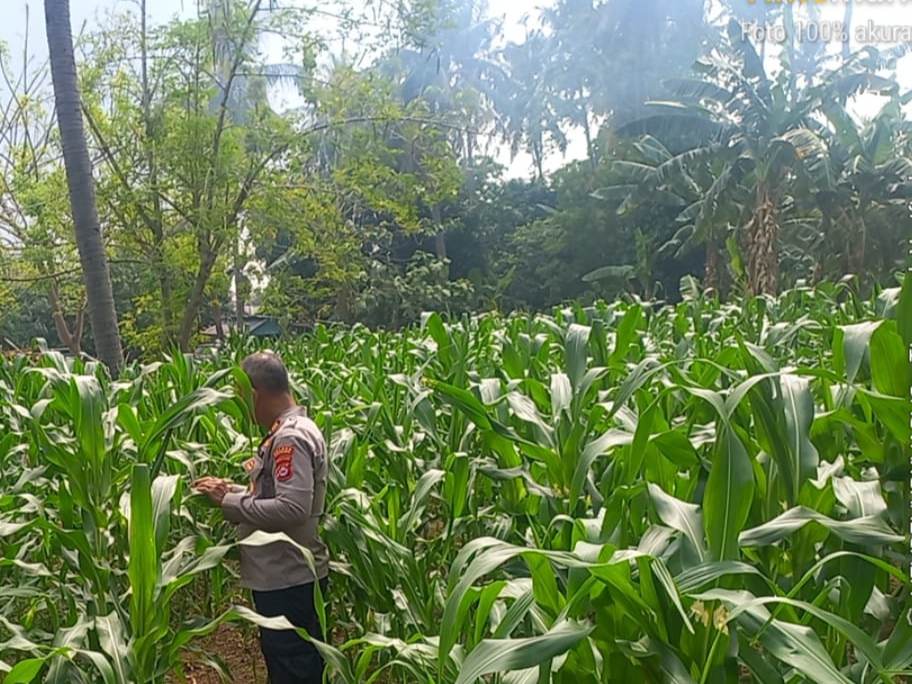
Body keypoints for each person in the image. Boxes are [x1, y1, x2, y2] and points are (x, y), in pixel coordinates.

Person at [193, 351, 330, 684]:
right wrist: (230, 491)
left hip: (288, 581)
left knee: (293, 672)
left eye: (240, 395)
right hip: (288, 580)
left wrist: (229, 502)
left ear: (253, 394)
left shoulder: (290, 438)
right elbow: (276, 495)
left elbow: (292, 508)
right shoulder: (291, 430)